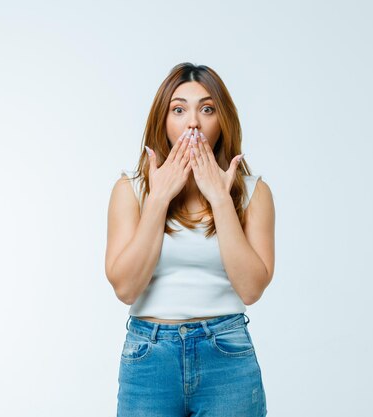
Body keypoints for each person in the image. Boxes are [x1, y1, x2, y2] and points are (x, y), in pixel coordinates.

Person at [105, 62, 275, 417]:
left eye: (207, 109)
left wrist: (220, 199)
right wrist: (158, 200)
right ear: (163, 122)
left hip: (226, 354)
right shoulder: (131, 190)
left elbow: (251, 290)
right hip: (149, 356)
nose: (193, 122)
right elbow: (125, 289)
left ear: (221, 121)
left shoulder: (253, 192)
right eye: (179, 109)